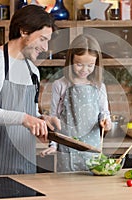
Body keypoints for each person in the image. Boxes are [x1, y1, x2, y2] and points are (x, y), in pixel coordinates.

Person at [0, 5, 60, 176]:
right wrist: (25, 118)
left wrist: (41, 120)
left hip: (24, 168)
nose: (45, 48)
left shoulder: (33, 71)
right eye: (42, 39)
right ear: (24, 31)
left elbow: (29, 113)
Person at [40, 34, 112, 172]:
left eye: (90, 65)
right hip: (67, 152)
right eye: (79, 64)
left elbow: (104, 113)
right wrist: (53, 146)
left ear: (96, 64)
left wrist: (106, 122)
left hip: (93, 150)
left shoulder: (99, 86)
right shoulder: (60, 84)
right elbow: (54, 118)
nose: (84, 70)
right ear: (70, 60)